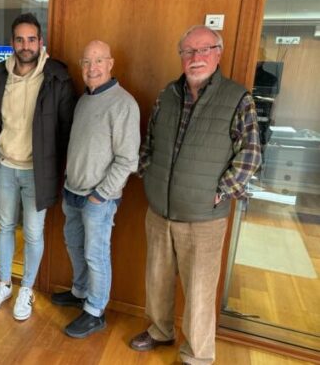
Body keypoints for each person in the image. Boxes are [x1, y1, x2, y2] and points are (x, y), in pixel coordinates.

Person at [130, 25, 261, 365]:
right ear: (181, 56)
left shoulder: (237, 98)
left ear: (218, 54)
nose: (196, 57)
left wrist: (222, 191)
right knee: (157, 279)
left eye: (204, 50)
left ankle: (198, 354)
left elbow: (250, 155)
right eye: (188, 51)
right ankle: (160, 330)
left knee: (200, 290)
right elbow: (149, 141)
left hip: (204, 216)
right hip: (160, 209)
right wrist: (148, 174)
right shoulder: (167, 95)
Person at [0, 13, 75, 320]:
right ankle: (4, 284)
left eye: (31, 39)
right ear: (12, 43)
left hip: (37, 172)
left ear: (40, 42)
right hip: (5, 167)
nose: (26, 45)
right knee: (5, 227)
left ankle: (27, 289)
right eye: (20, 39)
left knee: (33, 233)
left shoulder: (56, 77)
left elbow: (65, 130)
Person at [51, 40, 140, 338]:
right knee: (75, 246)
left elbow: (128, 159)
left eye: (98, 60)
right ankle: (80, 292)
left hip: (98, 199)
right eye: (87, 62)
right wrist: (68, 182)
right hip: (72, 192)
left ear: (110, 63)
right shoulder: (84, 100)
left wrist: (100, 195)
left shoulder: (123, 104)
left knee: (96, 255)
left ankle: (95, 311)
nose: (92, 68)